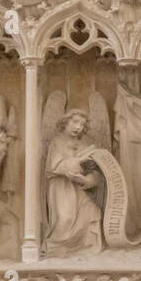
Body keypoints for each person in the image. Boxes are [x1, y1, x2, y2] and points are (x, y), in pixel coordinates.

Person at [44, 109, 105, 256]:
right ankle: (56, 248)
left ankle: (85, 247)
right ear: (66, 122)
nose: (78, 127)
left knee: (92, 210)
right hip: (62, 186)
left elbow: (94, 169)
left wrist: (89, 179)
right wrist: (78, 161)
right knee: (65, 218)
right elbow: (55, 166)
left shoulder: (86, 144)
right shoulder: (57, 142)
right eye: (75, 122)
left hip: (81, 188)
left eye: (82, 125)